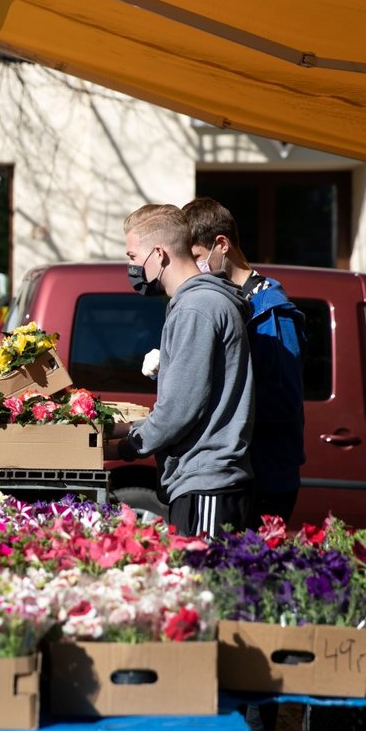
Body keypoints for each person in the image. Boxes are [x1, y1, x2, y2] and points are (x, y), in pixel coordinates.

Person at [111, 203, 255, 539]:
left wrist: (123, 448)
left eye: (133, 257)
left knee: (203, 583)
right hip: (205, 482)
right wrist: (121, 428)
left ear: (158, 254)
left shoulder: (197, 307)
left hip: (207, 484)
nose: (131, 267)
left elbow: (178, 411)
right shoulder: (198, 303)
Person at [186, 197, 306, 524]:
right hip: (240, 469)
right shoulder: (226, 301)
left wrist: (217, 403)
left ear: (221, 245)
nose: (194, 268)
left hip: (266, 473)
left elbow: (284, 399)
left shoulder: (270, 310)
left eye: (196, 256)